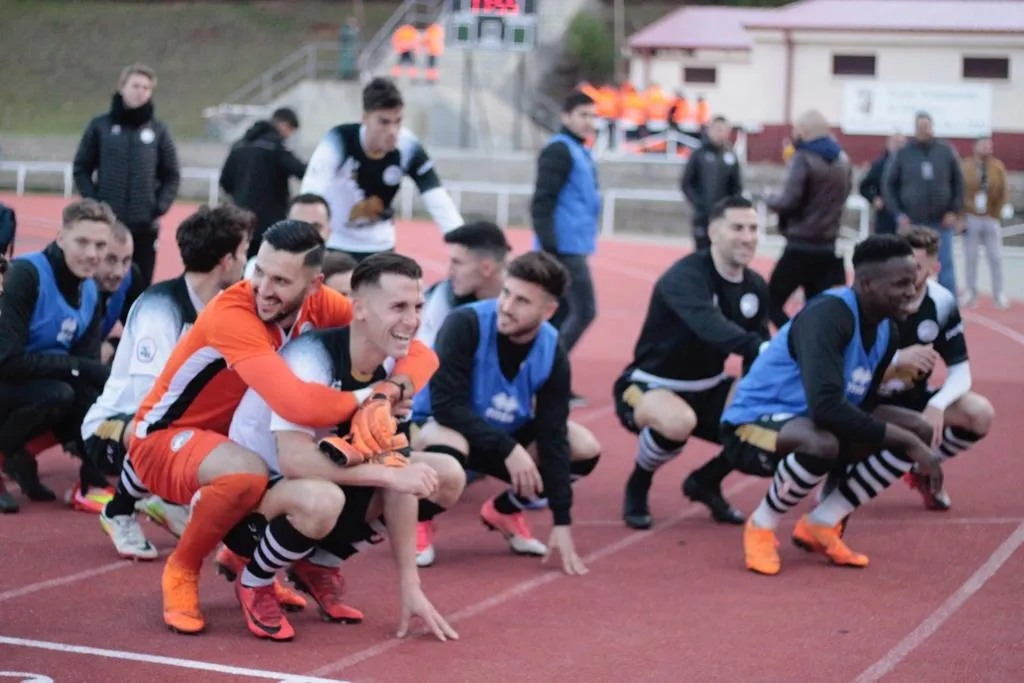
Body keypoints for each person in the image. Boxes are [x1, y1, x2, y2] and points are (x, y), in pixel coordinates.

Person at [126, 219, 439, 635]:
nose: (263, 288)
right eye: (259, 271)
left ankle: (254, 560)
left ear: (314, 285)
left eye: (280, 280)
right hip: (164, 439)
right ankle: (182, 568)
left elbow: (419, 353)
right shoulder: (232, 314)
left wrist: (396, 385)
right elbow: (295, 403)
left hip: (226, 441)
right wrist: (376, 397)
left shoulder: (323, 304)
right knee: (246, 473)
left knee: (269, 471)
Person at [224, 253, 460, 641]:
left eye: (417, 306)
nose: (413, 319)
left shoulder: (394, 371)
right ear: (360, 308)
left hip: (319, 484)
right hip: (250, 500)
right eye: (398, 307)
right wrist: (387, 474)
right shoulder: (312, 357)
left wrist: (410, 584)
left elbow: (396, 468)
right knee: (323, 499)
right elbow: (295, 459)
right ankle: (255, 579)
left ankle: (319, 564)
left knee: (443, 476)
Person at [720, 234, 940, 576]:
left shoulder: (888, 330)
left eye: (913, 282)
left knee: (918, 428)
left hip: (811, 420)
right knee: (826, 442)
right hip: (752, 424)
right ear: (866, 284)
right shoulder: (828, 315)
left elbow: (862, 406)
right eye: (901, 284)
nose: (912, 292)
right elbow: (826, 408)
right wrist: (906, 443)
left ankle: (822, 521)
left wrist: (913, 437)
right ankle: (762, 526)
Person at [411, 251, 602, 573]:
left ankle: (505, 509)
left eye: (522, 301)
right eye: (506, 293)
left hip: (498, 434)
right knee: (449, 457)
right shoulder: (466, 323)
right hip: (438, 428)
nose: (507, 306)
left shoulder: (552, 349)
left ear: (549, 310)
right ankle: (419, 520)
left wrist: (562, 521)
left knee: (582, 446)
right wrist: (510, 449)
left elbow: (553, 432)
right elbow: (447, 407)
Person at [83, 204, 255, 558]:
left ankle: (166, 499)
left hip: (172, 425)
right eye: (244, 252)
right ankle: (119, 511)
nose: (246, 262)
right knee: (160, 432)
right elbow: (149, 401)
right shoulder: (160, 308)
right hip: (113, 427)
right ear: (226, 260)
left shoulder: (225, 308)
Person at [617, 196, 770, 530]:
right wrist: (766, 348)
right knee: (677, 423)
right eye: (738, 228)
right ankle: (639, 483)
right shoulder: (685, 276)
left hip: (710, 387)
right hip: (650, 385)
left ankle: (706, 480)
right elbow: (711, 327)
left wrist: (757, 397)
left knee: (766, 422)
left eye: (754, 228)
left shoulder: (755, 285)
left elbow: (752, 355)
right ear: (714, 232)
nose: (748, 236)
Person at [0, 199, 116, 505]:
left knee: (93, 393)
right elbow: (7, 361)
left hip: (36, 382)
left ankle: (25, 456)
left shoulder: (90, 290)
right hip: (7, 376)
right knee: (58, 393)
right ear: (61, 238)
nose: (92, 254)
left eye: (100, 245)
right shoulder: (26, 275)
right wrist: (77, 366)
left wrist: (92, 466)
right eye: (82, 241)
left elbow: (88, 375)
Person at [872, 225, 994, 510]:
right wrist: (897, 360)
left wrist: (938, 404)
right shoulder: (873, 298)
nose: (905, 275)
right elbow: (844, 366)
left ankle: (922, 464)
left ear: (934, 267)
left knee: (980, 413)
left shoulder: (941, 303)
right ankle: (839, 479)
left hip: (913, 403)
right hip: (865, 403)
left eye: (915, 267)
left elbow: (961, 369)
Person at [300, 77, 463, 260]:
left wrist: (462, 242)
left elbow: (436, 195)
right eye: (384, 122)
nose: (393, 131)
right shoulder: (339, 140)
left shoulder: (408, 146)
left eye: (398, 121)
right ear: (365, 119)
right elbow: (312, 189)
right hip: (337, 244)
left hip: (381, 246)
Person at [72, 63, 181, 287]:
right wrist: (95, 202)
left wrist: (158, 206)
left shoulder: (159, 131)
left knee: (139, 286)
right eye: (135, 85)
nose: (140, 91)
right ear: (122, 87)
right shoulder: (100, 126)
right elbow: (81, 167)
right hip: (107, 225)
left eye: (146, 87)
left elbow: (172, 174)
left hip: (144, 227)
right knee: (97, 286)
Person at [530, 90, 601, 406]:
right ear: (566, 116)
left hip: (573, 245)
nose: (588, 121)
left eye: (592, 115)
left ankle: (540, 380)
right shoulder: (559, 151)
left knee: (559, 316)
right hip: (562, 249)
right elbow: (542, 200)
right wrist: (550, 247)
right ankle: (547, 379)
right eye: (582, 115)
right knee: (582, 310)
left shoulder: (579, 150)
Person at [764, 109, 852, 329]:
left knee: (768, 303)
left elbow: (789, 201)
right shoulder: (843, 160)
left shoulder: (803, 158)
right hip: (828, 247)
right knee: (821, 311)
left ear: (804, 131)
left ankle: (791, 337)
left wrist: (770, 199)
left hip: (800, 245)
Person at [882, 111, 964, 295]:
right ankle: (904, 301)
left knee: (945, 266)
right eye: (919, 127)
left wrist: (953, 211)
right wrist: (899, 214)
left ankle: (949, 308)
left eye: (926, 127)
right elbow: (888, 185)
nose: (923, 131)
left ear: (932, 127)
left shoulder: (946, 152)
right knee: (907, 264)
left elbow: (959, 183)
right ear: (915, 129)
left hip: (941, 222)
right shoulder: (903, 154)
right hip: (911, 222)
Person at [219, 107, 307, 258]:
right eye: (290, 131)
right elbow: (302, 171)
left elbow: (225, 181)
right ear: (284, 125)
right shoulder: (276, 147)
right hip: (270, 222)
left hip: (239, 220)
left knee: (240, 264)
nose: (289, 136)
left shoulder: (239, 145)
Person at [417, 220, 510, 348]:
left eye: (457, 263)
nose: (448, 272)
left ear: (486, 268)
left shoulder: (526, 299)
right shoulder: (443, 299)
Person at [680, 115, 744, 251]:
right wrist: (699, 203)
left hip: (723, 217)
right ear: (710, 130)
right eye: (718, 130)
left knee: (722, 254)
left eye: (724, 130)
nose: (721, 134)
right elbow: (687, 183)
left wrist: (730, 206)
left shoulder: (730, 156)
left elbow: (737, 186)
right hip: (702, 216)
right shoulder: (699, 154)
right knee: (702, 253)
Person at [960, 136, 1009, 309]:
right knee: (971, 257)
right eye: (983, 145)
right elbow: (960, 191)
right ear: (975, 147)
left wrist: (995, 213)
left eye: (989, 146)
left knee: (995, 257)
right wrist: (962, 215)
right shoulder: (965, 166)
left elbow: (1004, 191)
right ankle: (971, 293)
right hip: (972, 217)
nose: (987, 148)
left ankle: (999, 294)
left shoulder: (997, 167)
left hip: (991, 217)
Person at [243, 193, 332, 279]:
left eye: (316, 227)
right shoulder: (259, 266)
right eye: (299, 226)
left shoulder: (344, 273)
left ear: (329, 231)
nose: (308, 234)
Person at [95, 222, 145, 366]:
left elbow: (142, 333)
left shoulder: (131, 278)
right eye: (110, 260)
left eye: (126, 260)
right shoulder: (76, 283)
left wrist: (113, 344)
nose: (119, 272)